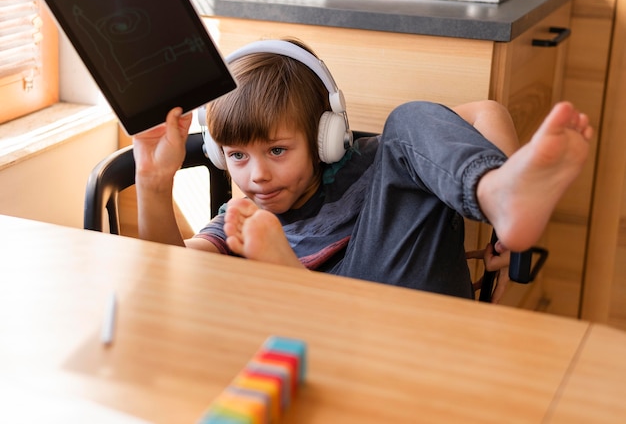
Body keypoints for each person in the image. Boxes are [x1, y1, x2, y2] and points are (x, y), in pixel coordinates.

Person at [133, 38, 592, 302]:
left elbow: (487, 110)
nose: (257, 177)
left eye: (276, 151)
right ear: (218, 153)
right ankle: (291, 281)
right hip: (318, 345)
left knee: (409, 119)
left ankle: (501, 194)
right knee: (244, 277)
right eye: (237, 156)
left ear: (323, 138)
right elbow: (172, 273)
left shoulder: (376, 161)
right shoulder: (243, 219)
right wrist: (154, 185)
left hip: (414, 314)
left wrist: (502, 222)